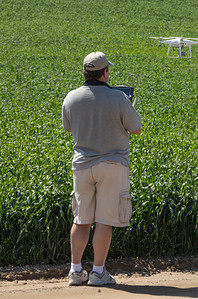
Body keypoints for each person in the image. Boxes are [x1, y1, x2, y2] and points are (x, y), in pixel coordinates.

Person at [62, 52, 142, 286]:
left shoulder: (71, 97)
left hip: (82, 165)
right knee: (104, 220)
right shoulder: (118, 98)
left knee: (81, 218)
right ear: (105, 73)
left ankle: (75, 272)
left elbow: (68, 128)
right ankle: (98, 273)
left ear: (86, 72)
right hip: (112, 164)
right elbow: (136, 129)